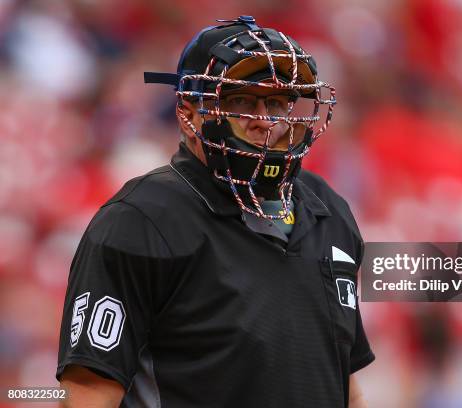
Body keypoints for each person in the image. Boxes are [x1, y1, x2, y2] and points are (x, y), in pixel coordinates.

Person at [56, 15, 375, 408]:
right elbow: (87, 393)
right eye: (241, 100)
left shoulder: (330, 211)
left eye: (277, 102)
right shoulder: (140, 220)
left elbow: (345, 386)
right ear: (191, 114)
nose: (266, 122)